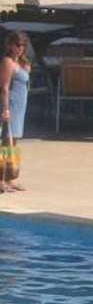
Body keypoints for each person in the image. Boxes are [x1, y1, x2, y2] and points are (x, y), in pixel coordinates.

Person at [1, 31, 30, 192]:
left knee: (14, 144)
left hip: (20, 107)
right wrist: (5, 109)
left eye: (23, 45)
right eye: (18, 45)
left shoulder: (20, 62)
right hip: (11, 106)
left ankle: (10, 178)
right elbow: (4, 88)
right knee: (6, 144)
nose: (20, 48)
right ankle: (1, 180)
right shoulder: (7, 62)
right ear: (10, 45)